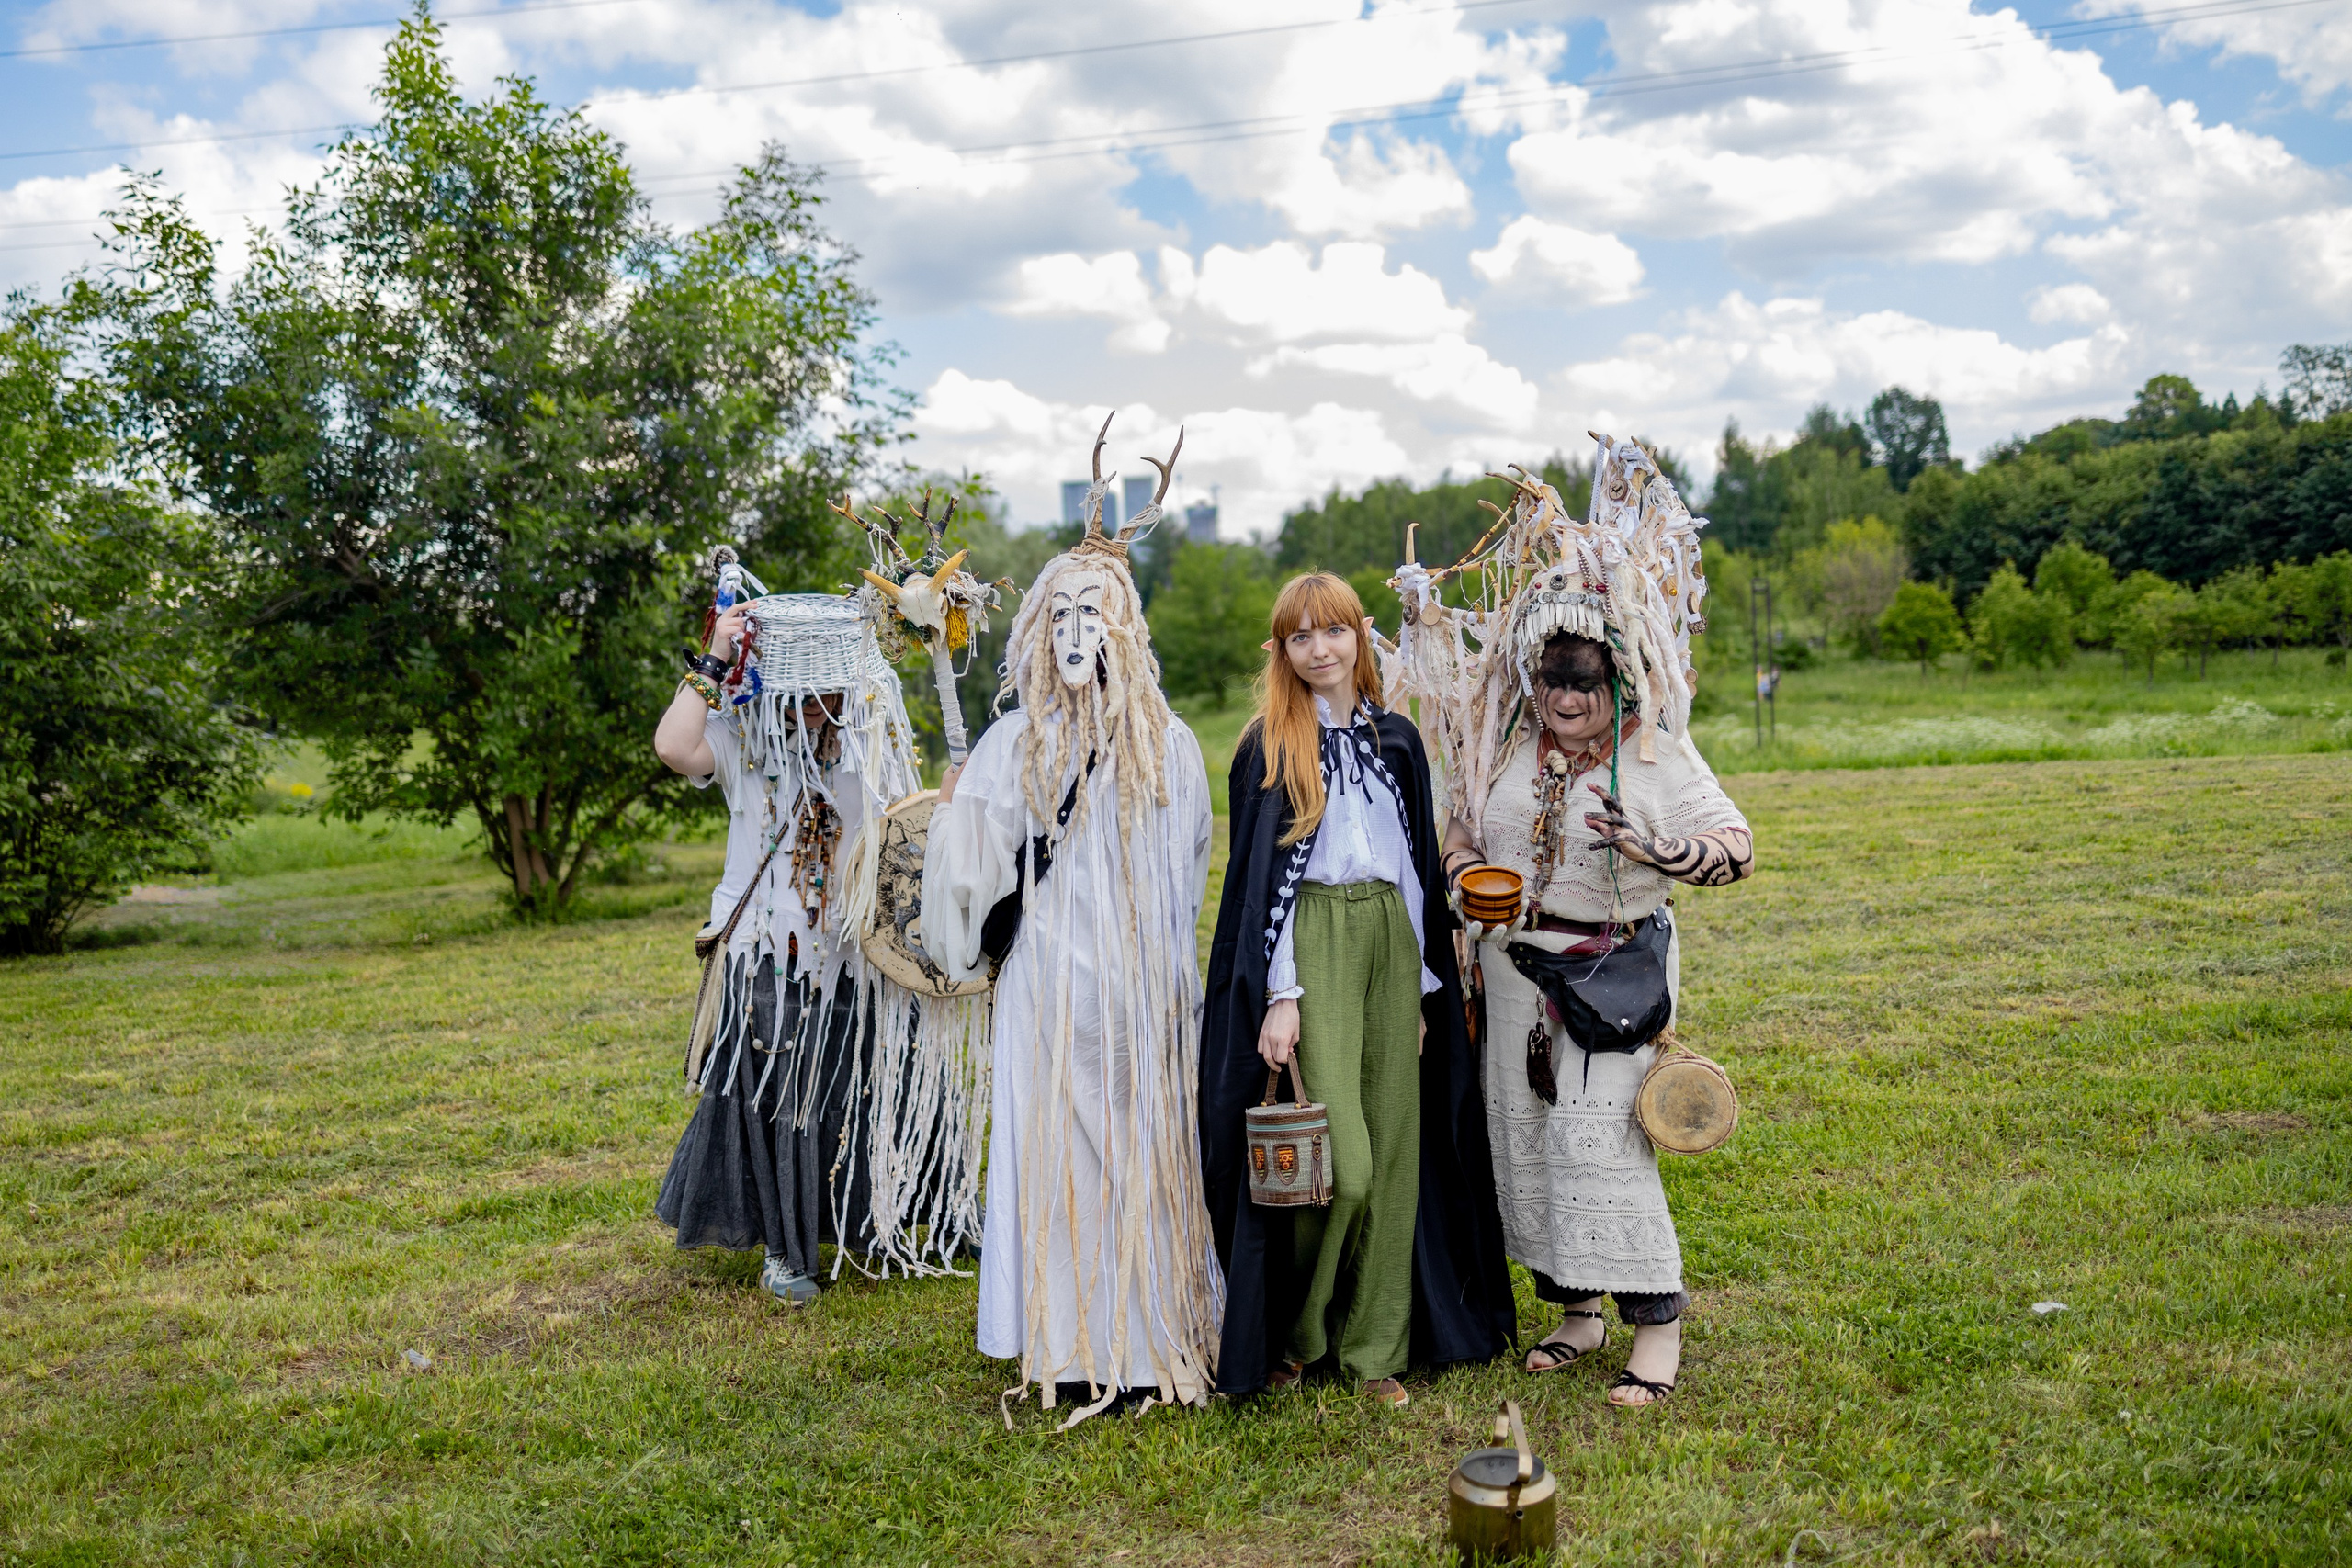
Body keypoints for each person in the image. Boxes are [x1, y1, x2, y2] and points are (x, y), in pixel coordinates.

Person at [1405, 437, 1753, 1408]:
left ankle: (1658, 1326)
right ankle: (1577, 1312)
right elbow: (1459, 828)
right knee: (1527, 1142)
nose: (1566, 698)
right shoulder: (1508, 744)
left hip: (1609, 976)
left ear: (1617, 679)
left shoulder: (1655, 753)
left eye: (1584, 682)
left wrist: (1654, 848)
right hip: (1512, 972)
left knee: (1601, 1143)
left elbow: (1736, 848)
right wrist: (1467, 873)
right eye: (1553, 680)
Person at [921, 421, 1222, 1426]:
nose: (1075, 631)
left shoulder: (1166, 745)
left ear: (1124, 628)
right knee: (1061, 1158)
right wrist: (962, 812)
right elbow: (971, 877)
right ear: (1035, 630)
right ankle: (1076, 1340)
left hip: (1138, 991)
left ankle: (1147, 1334)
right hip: (1054, 985)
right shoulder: (1016, 742)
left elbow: (1183, 870)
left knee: (1146, 1152)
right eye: (1059, 613)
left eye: (1094, 613)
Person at [1199, 572, 1514, 1407]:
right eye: (1300, 636)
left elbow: (1412, 869)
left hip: (1392, 946)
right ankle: (1299, 1331)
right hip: (1314, 943)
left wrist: (1421, 987)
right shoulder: (1268, 745)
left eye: (1332, 631)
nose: (1319, 649)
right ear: (1281, 648)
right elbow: (1260, 887)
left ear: (1360, 633)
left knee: (1397, 1156)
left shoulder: (1396, 740)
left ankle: (1375, 1348)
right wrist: (1283, 994)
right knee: (1343, 1164)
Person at [650, 587, 944, 1304]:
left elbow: (908, 835)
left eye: (827, 688)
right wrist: (716, 658)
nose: (814, 702)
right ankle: (783, 1252)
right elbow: (673, 747)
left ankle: (868, 1223)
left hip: (850, 960)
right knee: (778, 1098)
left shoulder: (871, 743)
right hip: (765, 954)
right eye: (802, 689)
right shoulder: (743, 737)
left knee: (845, 1089)